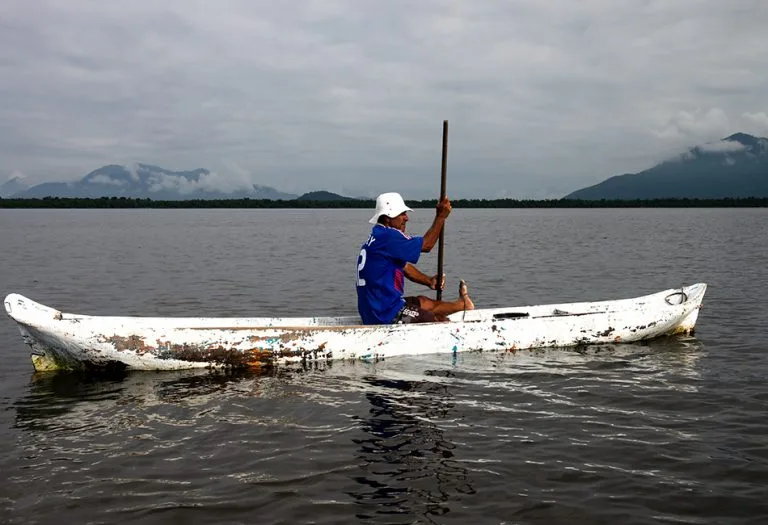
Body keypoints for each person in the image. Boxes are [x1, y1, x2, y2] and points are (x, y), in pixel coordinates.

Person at [356, 192, 474, 325]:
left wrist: (429, 281)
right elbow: (427, 245)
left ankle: (463, 305)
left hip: (376, 308)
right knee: (435, 319)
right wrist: (441, 217)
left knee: (423, 302)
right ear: (387, 217)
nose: (406, 218)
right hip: (384, 315)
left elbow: (404, 266)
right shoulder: (389, 237)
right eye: (401, 214)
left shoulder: (378, 236)